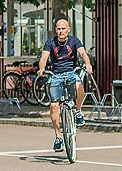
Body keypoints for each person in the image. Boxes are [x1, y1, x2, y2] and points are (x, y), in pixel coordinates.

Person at [38, 18, 92, 153]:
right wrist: (42, 68)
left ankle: (78, 111)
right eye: (58, 28)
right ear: (56, 30)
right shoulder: (50, 42)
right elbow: (44, 57)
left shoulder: (74, 41)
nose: (61, 31)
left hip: (71, 72)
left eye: (63, 28)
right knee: (54, 105)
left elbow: (83, 53)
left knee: (79, 85)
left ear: (68, 29)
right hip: (56, 74)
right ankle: (58, 137)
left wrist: (88, 64)